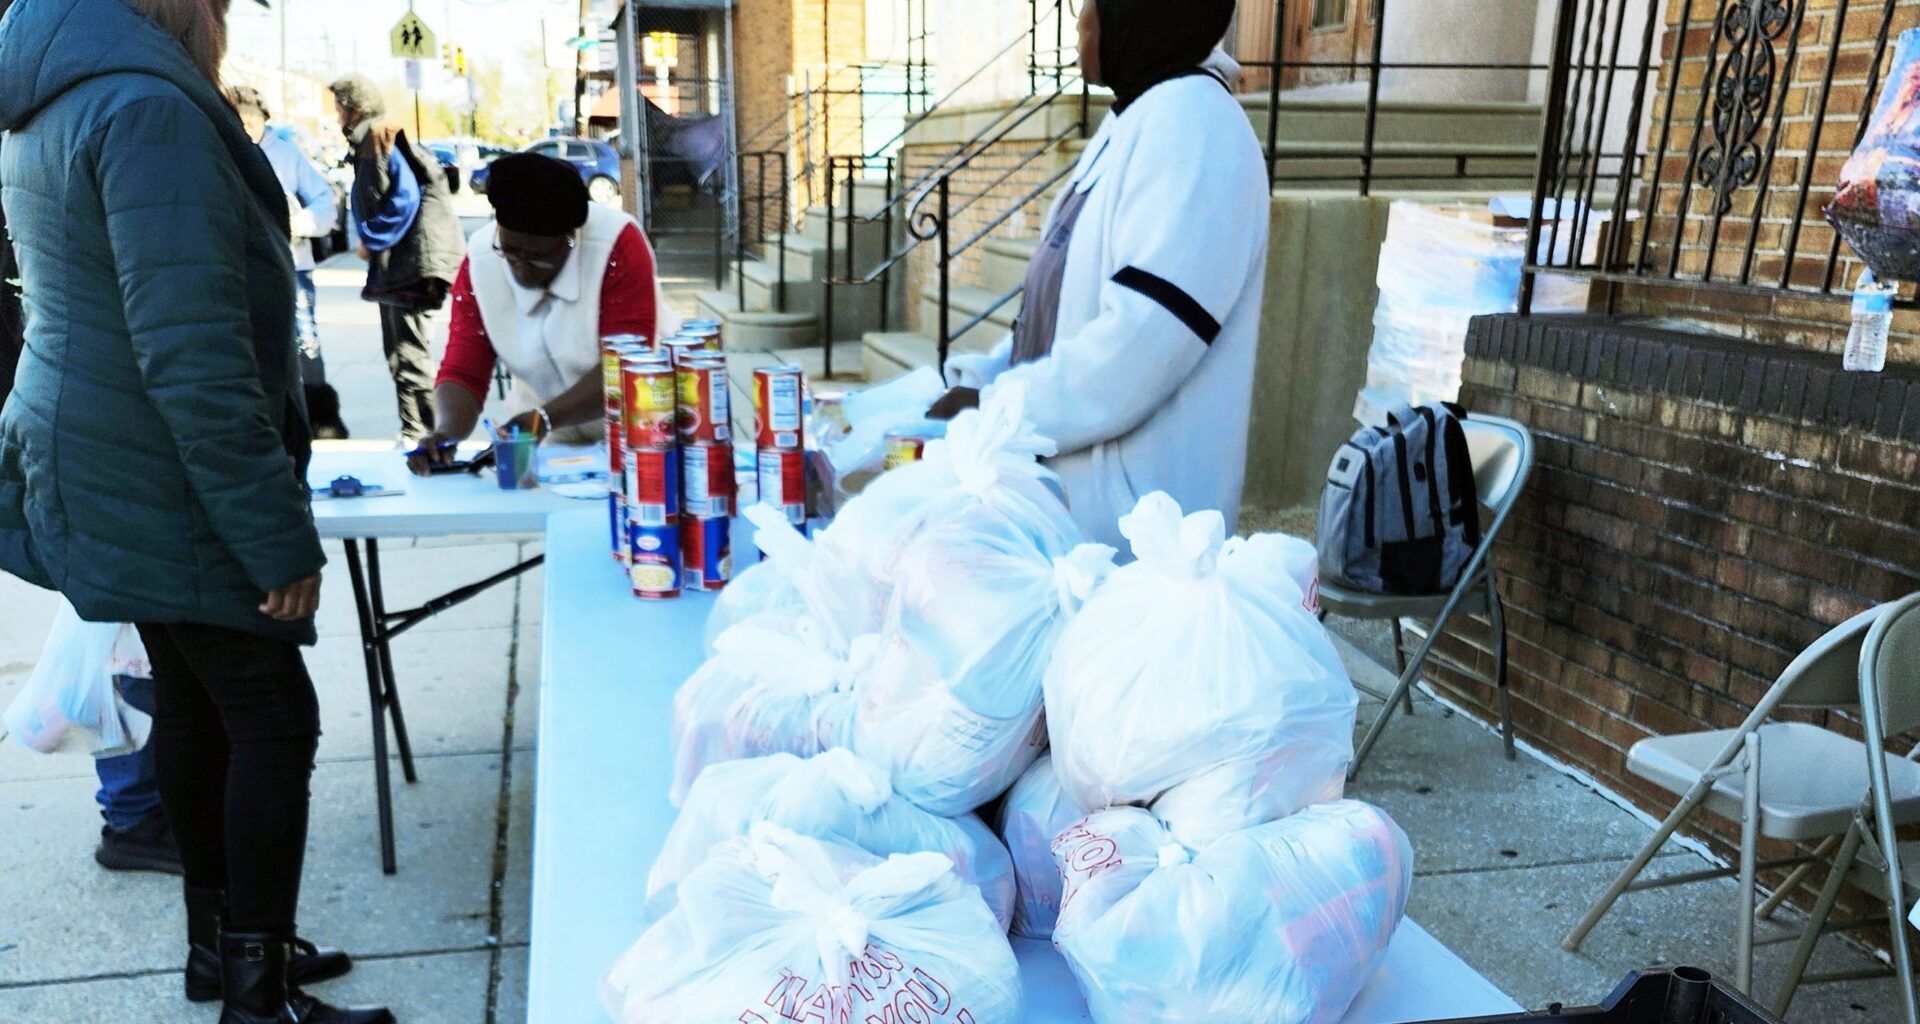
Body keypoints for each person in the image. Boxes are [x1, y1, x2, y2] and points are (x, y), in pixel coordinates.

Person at [0, 0, 388, 1020]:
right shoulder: (146, 108)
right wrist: (272, 532)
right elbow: (192, 352)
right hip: (161, 465)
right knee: (271, 717)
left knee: (193, 701)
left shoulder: (63, 94)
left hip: (111, 456)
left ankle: (222, 953)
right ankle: (255, 992)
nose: (224, 20)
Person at [930, 0, 1268, 550]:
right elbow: (1063, 314)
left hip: (1135, 543)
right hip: (1069, 520)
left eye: (1092, 2)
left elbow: (1135, 351)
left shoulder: (1196, 129)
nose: (1080, 19)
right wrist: (982, 380)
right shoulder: (1137, 118)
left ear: (1138, 15)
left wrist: (999, 406)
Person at [407, 153, 668, 472]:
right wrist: (446, 434)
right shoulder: (480, 260)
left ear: (571, 237)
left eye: (538, 258)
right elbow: (464, 369)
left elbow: (625, 365)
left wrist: (543, 419)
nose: (521, 266)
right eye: (510, 252)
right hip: (551, 432)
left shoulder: (616, 242)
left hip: (642, 424)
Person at [328, 72, 463, 446]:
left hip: (412, 264)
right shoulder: (373, 137)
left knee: (408, 354)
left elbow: (405, 199)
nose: (336, 117)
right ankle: (417, 430)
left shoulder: (377, 137)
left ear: (354, 109)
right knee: (401, 354)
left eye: (338, 108)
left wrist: (371, 239)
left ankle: (424, 435)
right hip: (405, 263)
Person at [230, 85, 349, 440]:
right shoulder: (224, 150)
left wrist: (297, 224)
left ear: (264, 119)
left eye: (252, 121)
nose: (247, 128)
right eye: (240, 121)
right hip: (242, 265)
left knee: (304, 338)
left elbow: (324, 202)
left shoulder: (287, 155)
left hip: (291, 264)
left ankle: (318, 415)